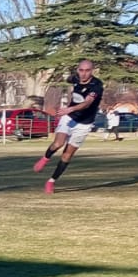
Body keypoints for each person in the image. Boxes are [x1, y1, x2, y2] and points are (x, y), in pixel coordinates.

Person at [33, 60, 103, 195]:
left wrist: (69, 108)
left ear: (92, 71)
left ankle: (51, 181)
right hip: (69, 117)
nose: (84, 74)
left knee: (67, 155)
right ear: (77, 70)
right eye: (81, 70)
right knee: (58, 143)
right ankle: (45, 159)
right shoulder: (74, 78)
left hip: (84, 123)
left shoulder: (97, 85)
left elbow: (87, 103)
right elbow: (68, 78)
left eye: (87, 70)